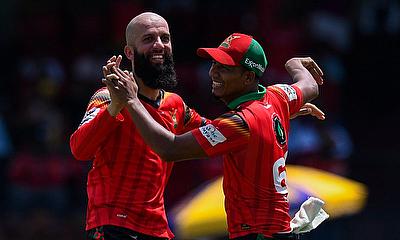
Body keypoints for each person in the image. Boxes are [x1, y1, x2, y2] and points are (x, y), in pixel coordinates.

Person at [103, 33, 324, 239]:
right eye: (214, 64)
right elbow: (310, 85)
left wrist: (132, 100)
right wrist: (293, 64)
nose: (213, 73)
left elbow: (170, 148)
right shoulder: (278, 98)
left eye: (224, 67)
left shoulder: (240, 123)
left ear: (248, 76)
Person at [69, 12, 208, 240]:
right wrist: (116, 105)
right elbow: (79, 149)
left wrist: (252, 115)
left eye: (165, 38)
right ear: (129, 52)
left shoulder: (176, 104)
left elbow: (215, 132)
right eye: (148, 39)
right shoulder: (106, 97)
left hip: (157, 228)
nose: (159, 45)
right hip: (113, 223)